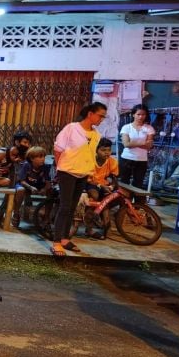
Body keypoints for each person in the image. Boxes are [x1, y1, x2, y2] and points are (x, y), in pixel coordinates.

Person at [50, 102, 106, 257]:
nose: (101, 119)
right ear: (90, 114)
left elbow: (90, 155)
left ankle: (65, 239)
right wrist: (60, 168)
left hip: (83, 174)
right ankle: (56, 242)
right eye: (100, 116)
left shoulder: (96, 135)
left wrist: (90, 171)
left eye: (103, 117)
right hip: (67, 172)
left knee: (72, 207)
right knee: (65, 206)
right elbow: (58, 150)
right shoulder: (71, 128)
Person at [84, 137, 119, 240]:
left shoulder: (113, 162)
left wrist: (111, 186)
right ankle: (89, 229)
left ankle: (106, 225)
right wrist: (101, 186)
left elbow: (114, 178)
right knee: (94, 196)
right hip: (90, 184)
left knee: (110, 200)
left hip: (105, 186)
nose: (107, 153)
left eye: (109, 150)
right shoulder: (90, 161)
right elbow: (87, 179)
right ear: (96, 150)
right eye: (103, 150)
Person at [11, 146, 51, 227]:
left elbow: (48, 182)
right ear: (32, 158)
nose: (43, 159)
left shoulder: (45, 167)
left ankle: (46, 217)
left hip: (37, 186)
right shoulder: (27, 165)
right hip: (25, 185)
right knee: (20, 190)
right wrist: (30, 187)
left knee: (51, 191)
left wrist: (44, 189)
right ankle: (16, 213)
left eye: (44, 157)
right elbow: (22, 181)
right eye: (40, 157)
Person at [119, 104, 155, 189]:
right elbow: (126, 144)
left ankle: (135, 198)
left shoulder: (149, 128)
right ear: (133, 114)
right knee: (124, 182)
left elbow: (149, 146)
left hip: (142, 160)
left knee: (138, 183)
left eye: (143, 114)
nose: (141, 117)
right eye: (138, 114)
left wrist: (133, 143)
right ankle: (123, 198)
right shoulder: (126, 127)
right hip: (127, 158)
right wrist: (143, 143)